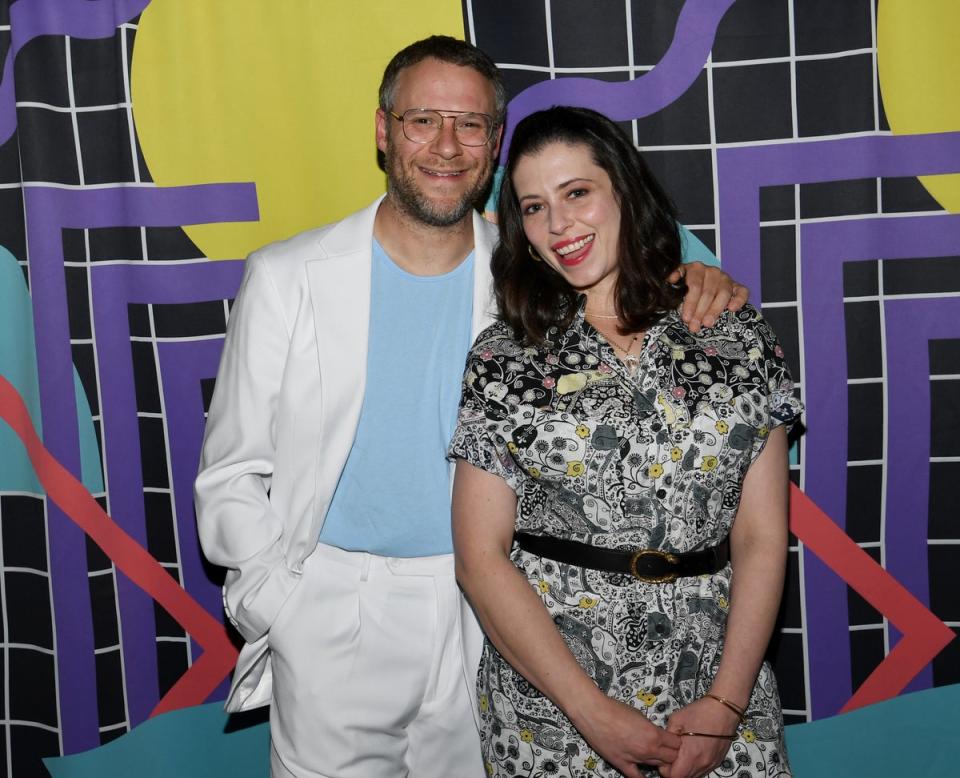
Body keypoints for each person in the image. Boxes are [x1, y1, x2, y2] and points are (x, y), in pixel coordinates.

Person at [195, 37, 748, 778]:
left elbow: (634, 286)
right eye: (423, 120)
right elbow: (229, 474)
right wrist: (281, 607)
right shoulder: (287, 276)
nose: (446, 146)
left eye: (471, 125)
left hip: (494, 608)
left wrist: (701, 282)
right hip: (333, 605)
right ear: (384, 130)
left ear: (494, 143)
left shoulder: (540, 276)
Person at [450, 105, 802, 778]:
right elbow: (480, 558)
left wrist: (726, 705)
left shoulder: (736, 336)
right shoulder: (505, 359)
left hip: (719, 687)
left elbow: (761, 536)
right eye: (533, 206)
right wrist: (592, 713)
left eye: (576, 193)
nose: (559, 226)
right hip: (552, 711)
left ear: (622, 190)